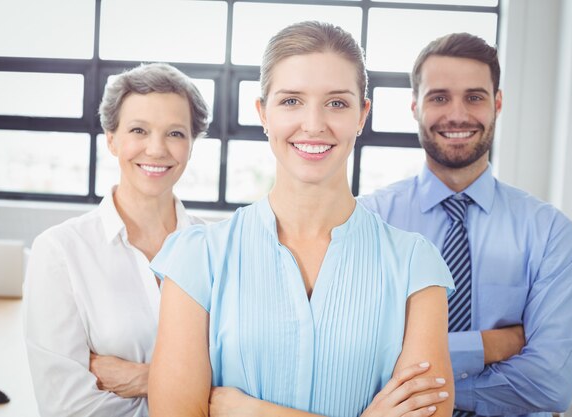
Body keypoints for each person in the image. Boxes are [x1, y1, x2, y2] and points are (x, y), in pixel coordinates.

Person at [149, 21, 455, 417]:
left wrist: (250, 411)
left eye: (337, 103)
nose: (313, 124)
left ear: (362, 115)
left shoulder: (416, 266)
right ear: (263, 113)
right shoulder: (197, 260)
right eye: (292, 101)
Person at [359, 32, 572, 417]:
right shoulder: (370, 221)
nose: (458, 114)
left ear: (497, 104)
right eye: (439, 97)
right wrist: (487, 346)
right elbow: (357, 361)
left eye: (475, 97)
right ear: (415, 106)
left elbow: (550, 384)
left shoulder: (550, 232)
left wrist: (418, 392)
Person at [23, 62, 209, 416]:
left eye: (175, 133)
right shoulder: (61, 252)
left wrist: (144, 379)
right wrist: (203, 397)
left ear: (191, 144)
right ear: (112, 139)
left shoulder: (217, 247)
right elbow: (68, 407)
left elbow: (249, 382)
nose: (156, 149)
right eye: (139, 130)